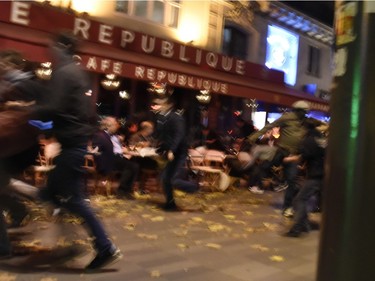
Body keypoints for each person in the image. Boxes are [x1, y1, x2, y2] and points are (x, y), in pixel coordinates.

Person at [38, 32, 122, 271]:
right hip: (74, 144)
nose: (49, 52)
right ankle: (75, 244)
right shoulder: (76, 72)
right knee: (53, 195)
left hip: (72, 145)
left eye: (52, 47)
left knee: (70, 199)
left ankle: (103, 247)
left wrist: (30, 115)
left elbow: (53, 107)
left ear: (61, 47)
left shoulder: (65, 72)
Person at [0, 50, 46, 258]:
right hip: (9, 146)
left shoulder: (29, 86)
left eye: (5, 64)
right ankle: (22, 207)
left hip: (19, 148)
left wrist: (25, 111)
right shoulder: (7, 85)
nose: (2, 67)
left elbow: (46, 123)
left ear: (16, 66)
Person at [248, 100, 320, 217]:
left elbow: (320, 125)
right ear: (297, 111)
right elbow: (270, 126)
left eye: (305, 113)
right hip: (281, 151)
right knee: (264, 166)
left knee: (291, 181)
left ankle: (287, 207)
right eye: (302, 112)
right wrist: (254, 137)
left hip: (293, 156)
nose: (304, 115)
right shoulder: (287, 118)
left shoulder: (306, 121)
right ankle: (256, 184)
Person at [153, 93, 199, 211]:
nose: (159, 106)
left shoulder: (176, 118)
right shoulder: (162, 118)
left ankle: (194, 187)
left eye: (161, 103)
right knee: (164, 179)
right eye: (158, 103)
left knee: (172, 179)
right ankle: (170, 203)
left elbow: (178, 135)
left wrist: (172, 150)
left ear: (169, 105)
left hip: (179, 152)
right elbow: (162, 135)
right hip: (169, 151)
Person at [284, 119, 327, 237]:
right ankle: (305, 224)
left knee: (299, 199)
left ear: (305, 129)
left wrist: (290, 159)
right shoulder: (321, 139)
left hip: (316, 175)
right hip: (324, 174)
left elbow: (304, 156)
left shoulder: (308, 141)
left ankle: (297, 228)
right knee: (303, 197)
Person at [93, 116, 139, 199]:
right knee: (131, 166)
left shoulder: (109, 135)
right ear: (108, 126)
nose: (117, 126)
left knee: (134, 165)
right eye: (115, 124)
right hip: (106, 162)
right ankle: (122, 191)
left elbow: (113, 149)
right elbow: (96, 151)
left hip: (113, 159)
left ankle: (126, 190)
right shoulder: (100, 135)